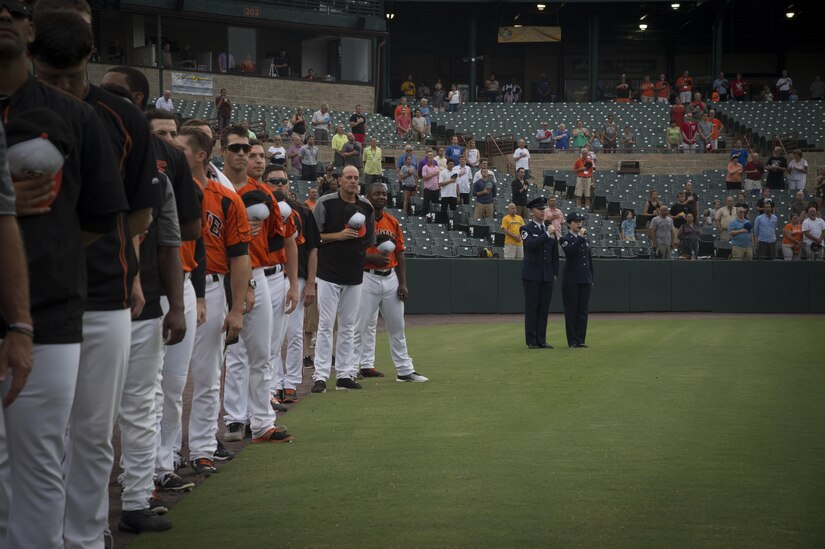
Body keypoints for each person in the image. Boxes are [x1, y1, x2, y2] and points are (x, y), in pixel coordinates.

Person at [220, 131, 297, 449]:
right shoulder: (215, 188)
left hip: (265, 275)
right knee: (235, 354)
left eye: (255, 154)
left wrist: (292, 281)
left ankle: (261, 420)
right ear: (225, 151)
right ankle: (235, 418)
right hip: (225, 276)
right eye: (243, 151)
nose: (251, 158)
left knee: (262, 352)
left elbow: (284, 239)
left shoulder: (265, 195)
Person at [310, 165, 375, 393]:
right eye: (348, 177)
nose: (353, 181)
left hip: (354, 272)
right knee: (326, 325)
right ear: (339, 180)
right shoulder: (325, 202)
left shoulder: (366, 205)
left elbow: (369, 240)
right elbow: (313, 237)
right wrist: (338, 236)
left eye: (356, 178)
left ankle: (345, 374)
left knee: (349, 326)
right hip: (328, 272)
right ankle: (320, 375)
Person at [356, 182, 427, 382]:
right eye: (376, 193)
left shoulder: (392, 222)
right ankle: (350, 370)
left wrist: (402, 283)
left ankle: (405, 371)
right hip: (367, 277)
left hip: (390, 278)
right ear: (368, 197)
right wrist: (371, 259)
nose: (381, 197)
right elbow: (351, 252)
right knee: (359, 327)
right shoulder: (360, 221)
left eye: (384, 194)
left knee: (397, 326)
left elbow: (400, 254)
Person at [520, 197, 559, 349]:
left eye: (544, 209)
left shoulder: (549, 229)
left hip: (546, 275)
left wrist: (555, 272)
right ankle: (531, 340)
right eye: (539, 209)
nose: (542, 211)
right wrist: (546, 234)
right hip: (531, 275)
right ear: (532, 211)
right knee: (532, 307)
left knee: (544, 308)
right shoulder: (526, 229)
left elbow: (554, 253)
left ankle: (541, 339)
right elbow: (531, 245)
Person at [560, 212, 593, 348]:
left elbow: (589, 259)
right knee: (572, 310)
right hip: (571, 279)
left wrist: (592, 276)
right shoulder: (565, 239)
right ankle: (572, 340)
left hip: (585, 278)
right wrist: (579, 237)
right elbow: (571, 252)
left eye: (580, 221)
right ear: (569, 224)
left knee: (583, 311)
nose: (579, 224)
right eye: (575, 221)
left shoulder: (585, 240)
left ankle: (581, 339)